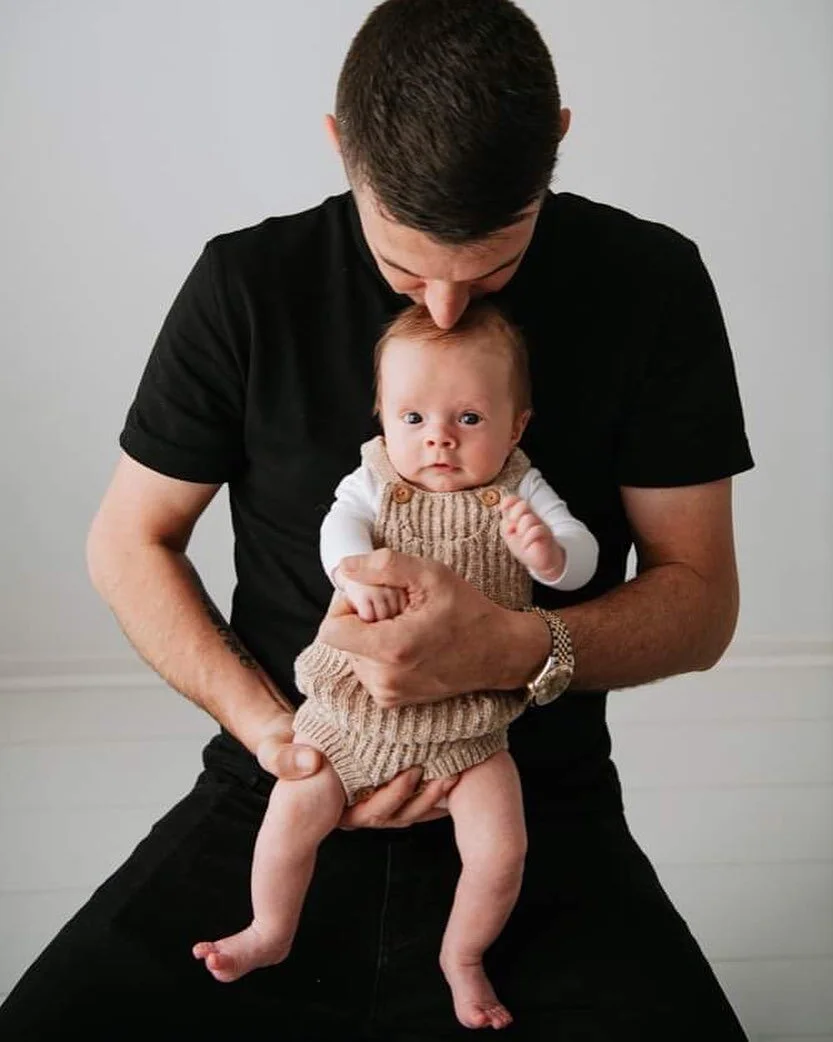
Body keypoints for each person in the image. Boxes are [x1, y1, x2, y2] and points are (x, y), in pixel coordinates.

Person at [0, 1, 754, 1039]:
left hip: (532, 792)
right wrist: (278, 738)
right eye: (405, 271)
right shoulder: (244, 285)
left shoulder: (651, 282)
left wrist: (515, 645)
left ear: (557, 144)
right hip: (281, 774)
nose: (446, 312)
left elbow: (699, 598)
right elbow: (129, 539)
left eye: (490, 268)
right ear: (337, 147)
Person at [192, 300, 599, 1031]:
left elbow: (579, 555)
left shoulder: (520, 488)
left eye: (468, 419)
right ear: (381, 418)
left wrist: (550, 552)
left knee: (501, 850)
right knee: (290, 815)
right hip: (353, 717)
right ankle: (270, 930)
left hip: (470, 727)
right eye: (412, 418)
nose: (437, 437)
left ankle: (462, 955)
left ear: (517, 426)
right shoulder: (372, 480)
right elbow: (338, 528)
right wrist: (352, 574)